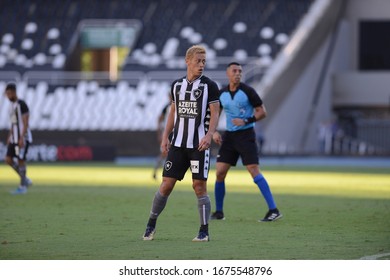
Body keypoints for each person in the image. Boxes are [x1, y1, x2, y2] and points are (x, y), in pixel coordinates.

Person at [142, 45, 220, 242]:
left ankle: (204, 231)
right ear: (188, 61)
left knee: (199, 186)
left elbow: (216, 112)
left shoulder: (209, 86)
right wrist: (165, 137)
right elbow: (173, 113)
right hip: (177, 144)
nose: (201, 65)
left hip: (199, 145)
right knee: (166, 185)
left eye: (204, 61)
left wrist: (209, 135)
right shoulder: (176, 86)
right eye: (198, 61)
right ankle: (151, 224)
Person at [211, 62, 282, 222]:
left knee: (253, 171)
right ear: (228, 73)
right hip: (229, 137)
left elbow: (262, 112)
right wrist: (214, 131)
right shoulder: (221, 93)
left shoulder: (248, 91)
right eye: (234, 71)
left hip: (246, 135)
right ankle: (219, 212)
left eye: (240, 71)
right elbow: (215, 114)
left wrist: (246, 120)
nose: (238, 73)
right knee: (220, 172)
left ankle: (273, 210)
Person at [4, 83, 33, 194]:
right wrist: (9, 136)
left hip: (22, 138)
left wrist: (21, 138)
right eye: (6, 94)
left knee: (21, 160)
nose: (8, 96)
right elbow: (14, 123)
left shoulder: (22, 105)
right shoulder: (11, 106)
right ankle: (25, 179)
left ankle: (22, 186)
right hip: (14, 138)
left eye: (9, 93)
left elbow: (25, 123)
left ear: (14, 92)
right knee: (8, 159)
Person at [152, 100, 170, 180]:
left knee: (168, 154)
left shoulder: (179, 104)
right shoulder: (167, 107)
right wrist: (160, 133)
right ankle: (162, 173)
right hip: (167, 133)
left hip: (176, 133)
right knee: (164, 153)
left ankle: (165, 174)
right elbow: (160, 119)